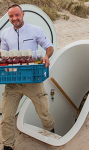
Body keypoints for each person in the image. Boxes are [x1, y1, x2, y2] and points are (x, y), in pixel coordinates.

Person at [0, 4, 55, 150]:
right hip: (12, 81)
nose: (14, 18)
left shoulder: (35, 30)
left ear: (23, 14)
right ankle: (8, 146)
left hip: (33, 79)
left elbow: (49, 47)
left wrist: (46, 56)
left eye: (17, 15)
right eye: (11, 16)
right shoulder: (5, 34)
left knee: (43, 112)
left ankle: (52, 138)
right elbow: (4, 54)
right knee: (6, 117)